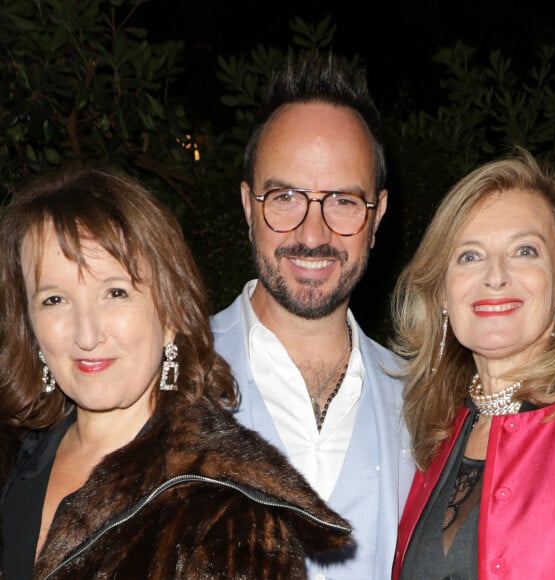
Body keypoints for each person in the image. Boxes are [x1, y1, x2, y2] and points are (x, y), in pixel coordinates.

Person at [0, 166, 354, 580]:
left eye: (116, 293)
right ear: (29, 322)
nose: (86, 333)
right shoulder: (12, 461)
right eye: (54, 299)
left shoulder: (225, 514)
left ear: (170, 312)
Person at [210, 50, 415, 578]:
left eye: (344, 201)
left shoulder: (422, 402)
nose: (312, 234)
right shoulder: (163, 375)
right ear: (247, 205)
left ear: (378, 216)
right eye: (285, 197)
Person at [390, 148, 555, 579]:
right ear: (441, 292)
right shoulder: (436, 433)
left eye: (525, 251)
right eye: (470, 256)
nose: (495, 276)